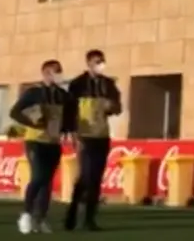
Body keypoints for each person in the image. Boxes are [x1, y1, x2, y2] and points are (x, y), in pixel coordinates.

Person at [10, 59, 72, 234]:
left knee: (47, 182)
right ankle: (26, 214)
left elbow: (68, 118)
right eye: (54, 71)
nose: (58, 75)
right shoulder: (34, 93)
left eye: (60, 71)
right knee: (38, 176)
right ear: (45, 73)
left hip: (53, 142)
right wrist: (32, 121)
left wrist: (68, 131)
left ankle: (41, 218)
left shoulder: (63, 95)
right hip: (35, 141)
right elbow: (14, 112)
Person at [65, 49, 122, 231]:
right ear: (89, 63)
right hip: (84, 135)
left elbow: (118, 107)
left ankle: (90, 219)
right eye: (97, 61)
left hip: (102, 135)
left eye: (102, 61)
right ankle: (72, 214)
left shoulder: (108, 84)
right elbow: (69, 109)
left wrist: (111, 106)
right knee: (85, 176)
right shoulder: (78, 84)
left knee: (96, 178)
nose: (100, 64)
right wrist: (71, 131)